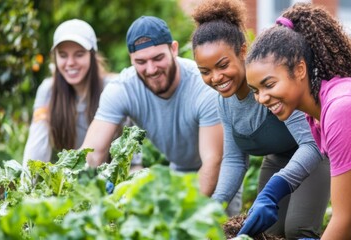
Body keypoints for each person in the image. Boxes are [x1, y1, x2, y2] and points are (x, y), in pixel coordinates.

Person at [243, 3, 351, 239]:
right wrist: (276, 190)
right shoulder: (317, 114)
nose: (262, 98)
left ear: (300, 70)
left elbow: (347, 220)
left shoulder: (341, 109)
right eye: (255, 89)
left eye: (269, 84)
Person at [191, 0, 330, 238]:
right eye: (205, 71)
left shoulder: (271, 85)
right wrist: (213, 207)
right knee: (269, 231)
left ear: (243, 51)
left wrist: (276, 187)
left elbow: (311, 142)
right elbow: (235, 160)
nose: (216, 77)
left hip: (315, 152)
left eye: (222, 65)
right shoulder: (224, 102)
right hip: (277, 160)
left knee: (297, 229)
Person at [80, 16, 236, 211]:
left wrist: (180, 215)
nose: (151, 69)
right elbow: (92, 153)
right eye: (141, 61)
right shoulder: (122, 89)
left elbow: (213, 161)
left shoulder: (202, 88)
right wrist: (82, 189)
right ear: (131, 59)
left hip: (221, 173)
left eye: (158, 58)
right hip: (178, 169)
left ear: (174, 49)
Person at [23, 19, 118, 165]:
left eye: (79, 54)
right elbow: (36, 147)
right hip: (71, 180)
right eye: (63, 55)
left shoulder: (112, 88)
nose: (70, 62)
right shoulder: (48, 91)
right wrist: (26, 185)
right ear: (55, 57)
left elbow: (134, 153)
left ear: (92, 55)